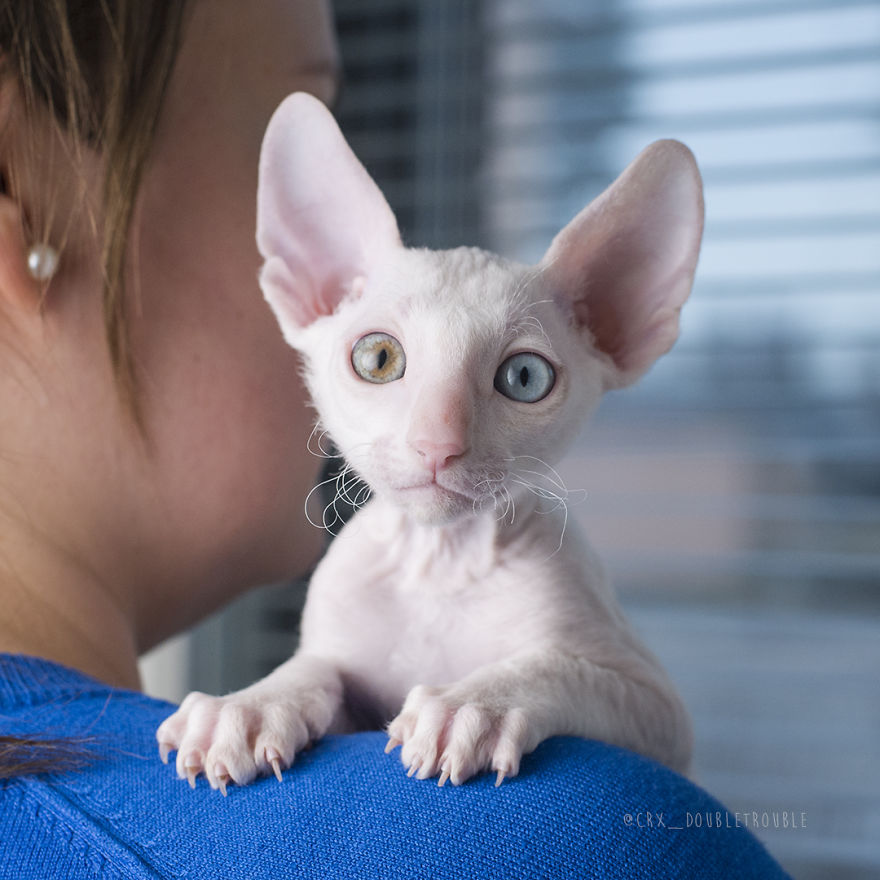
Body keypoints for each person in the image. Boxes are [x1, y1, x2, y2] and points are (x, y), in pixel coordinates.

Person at [0, 2, 789, 877]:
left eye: (521, 377)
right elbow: (331, 677)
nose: (440, 437)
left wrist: (522, 694)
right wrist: (289, 694)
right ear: (310, 284)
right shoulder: (610, 841)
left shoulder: (540, 576)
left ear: (619, 328)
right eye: (380, 360)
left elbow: (659, 720)